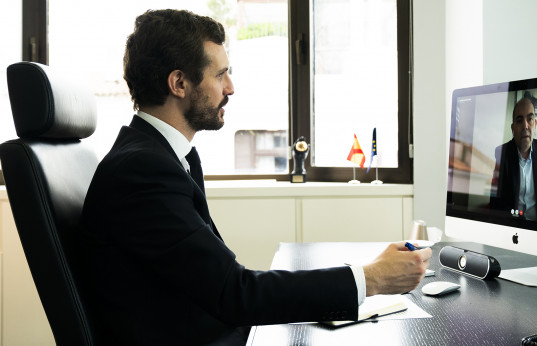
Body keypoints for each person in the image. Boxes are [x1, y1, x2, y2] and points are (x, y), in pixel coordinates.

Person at [79, 9, 431, 345]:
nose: (230, 88)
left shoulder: (162, 157)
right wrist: (372, 278)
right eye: (220, 75)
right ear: (179, 83)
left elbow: (221, 285)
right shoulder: (142, 171)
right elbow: (234, 293)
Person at [490, 96, 537, 223]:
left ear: (535, 124)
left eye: (530, 119)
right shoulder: (502, 154)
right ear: (512, 129)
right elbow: (496, 202)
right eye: (519, 121)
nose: (525, 126)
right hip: (513, 227)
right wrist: (523, 221)